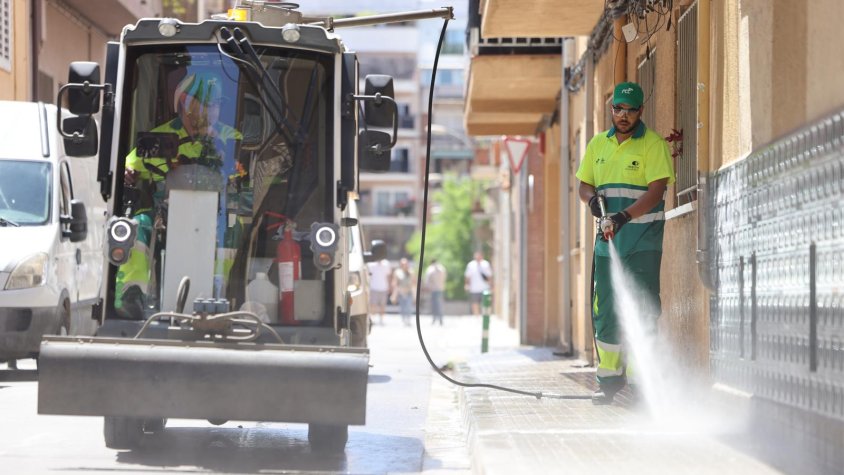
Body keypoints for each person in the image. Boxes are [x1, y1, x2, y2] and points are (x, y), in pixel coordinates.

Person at [575, 82, 675, 405]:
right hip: (608, 247)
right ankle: (609, 379)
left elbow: (656, 191)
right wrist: (592, 202)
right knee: (605, 312)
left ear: (640, 112)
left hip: (643, 243)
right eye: (619, 109)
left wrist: (623, 217)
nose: (624, 115)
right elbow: (584, 185)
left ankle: (642, 380)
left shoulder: (653, 145)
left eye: (631, 110)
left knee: (643, 308)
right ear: (612, 109)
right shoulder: (597, 146)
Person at [116, 71, 242, 318]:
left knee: (235, 226)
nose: (213, 111)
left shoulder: (230, 137)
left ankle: (226, 294)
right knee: (137, 224)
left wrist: (217, 145)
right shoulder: (159, 137)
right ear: (185, 101)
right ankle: (133, 293)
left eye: (216, 104)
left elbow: (242, 171)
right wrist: (127, 172)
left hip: (217, 214)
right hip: (167, 216)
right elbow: (128, 164)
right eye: (206, 103)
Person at [464, 251, 492, 316]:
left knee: (485, 303)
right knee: (475, 303)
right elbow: (467, 276)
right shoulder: (471, 265)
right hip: (474, 288)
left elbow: (489, 276)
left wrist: (491, 286)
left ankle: (485, 316)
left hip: (484, 287)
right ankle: (476, 316)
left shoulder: (486, 264)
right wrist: (466, 284)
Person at [367, 257, 392, 325]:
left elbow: (388, 276)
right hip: (373, 287)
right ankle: (372, 319)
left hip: (383, 288)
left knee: (383, 305)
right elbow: (368, 276)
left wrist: (389, 287)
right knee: (373, 304)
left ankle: (381, 320)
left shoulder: (386, 263)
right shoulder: (371, 264)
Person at [392, 258, 416, 326]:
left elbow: (414, 283)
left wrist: (415, 294)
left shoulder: (411, 272)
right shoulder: (397, 272)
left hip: (409, 292)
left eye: (405, 264)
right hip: (401, 292)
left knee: (408, 307)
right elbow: (395, 283)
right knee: (402, 307)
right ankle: (403, 319)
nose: (404, 265)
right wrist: (394, 294)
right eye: (403, 264)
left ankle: (408, 319)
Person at [424, 259, 447, 325]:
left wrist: (427, 287)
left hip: (433, 289)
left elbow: (427, 280)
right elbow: (444, 278)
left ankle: (435, 318)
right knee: (439, 304)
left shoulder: (430, 269)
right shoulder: (442, 268)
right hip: (440, 288)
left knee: (434, 305)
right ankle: (440, 319)